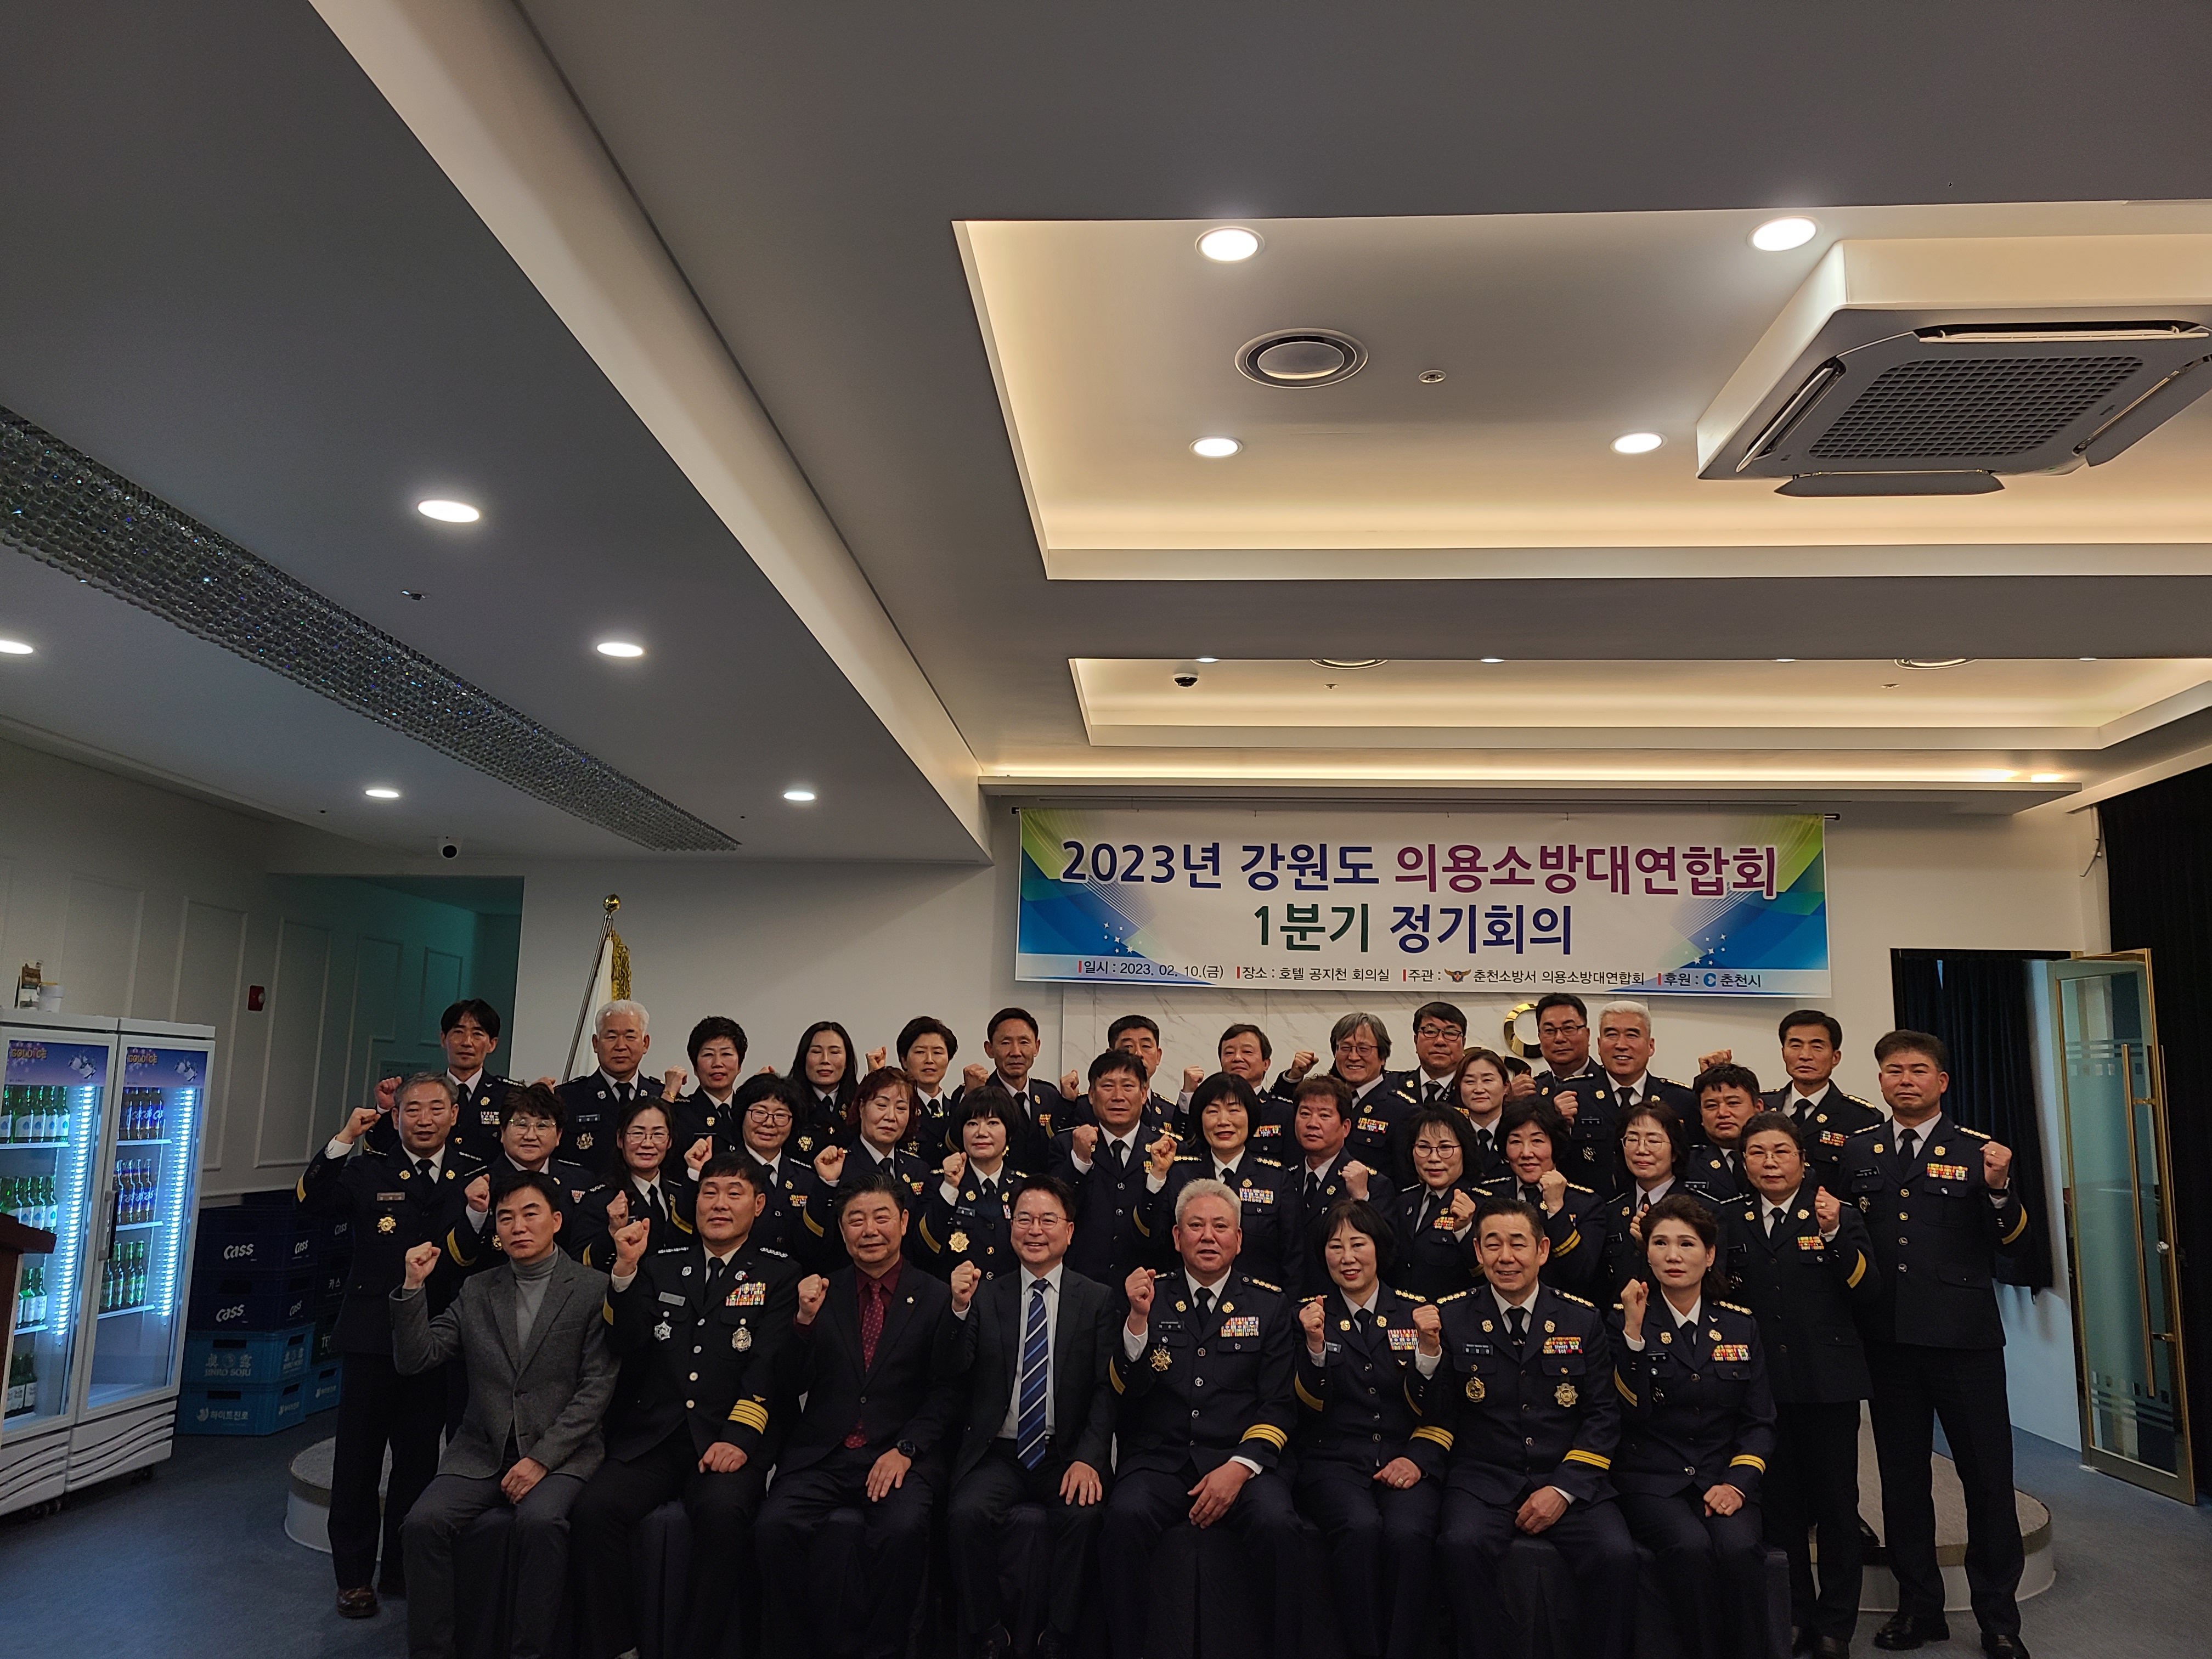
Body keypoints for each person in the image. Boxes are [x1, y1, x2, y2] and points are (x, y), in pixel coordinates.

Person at [1841, 1031, 2033, 1658]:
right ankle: (1918, 1608)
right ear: (1880, 1080)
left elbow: (2014, 1243)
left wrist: (2000, 1189)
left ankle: (1999, 1620)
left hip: (1963, 1343)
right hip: (1888, 1341)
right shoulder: (1859, 1149)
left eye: (1918, 1070)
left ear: (1942, 1082)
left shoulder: (1979, 1151)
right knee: (1902, 1482)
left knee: (1987, 1480)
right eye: (1894, 1070)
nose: (1905, 1080)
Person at [572, 1154, 800, 1659]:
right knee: (593, 1511)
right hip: (655, 1435)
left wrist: (740, 1439)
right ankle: (619, 1648)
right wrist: (624, 1271)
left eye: (734, 1194)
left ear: (759, 1205)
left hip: (726, 1435)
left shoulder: (779, 1274)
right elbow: (625, 1342)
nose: (719, 1204)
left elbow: (769, 1367)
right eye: (710, 1192)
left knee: (723, 1515)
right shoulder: (660, 1264)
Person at [393, 1170, 616, 1659]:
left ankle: (528, 1652)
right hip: (482, 1451)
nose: (518, 1226)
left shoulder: (593, 1288)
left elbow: (596, 1388)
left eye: (530, 1214)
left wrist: (541, 1459)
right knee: (423, 1523)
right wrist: (412, 1287)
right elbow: (417, 1358)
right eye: (506, 1217)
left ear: (556, 1221)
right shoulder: (477, 1289)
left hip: (562, 1454)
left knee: (539, 1523)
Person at [296, 1074, 489, 1617]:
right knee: (358, 1460)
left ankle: (405, 1569)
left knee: (419, 1459)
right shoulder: (368, 1169)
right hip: (372, 1336)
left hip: (439, 1336)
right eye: (413, 1109)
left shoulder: (473, 1175)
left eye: (436, 1108)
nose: (424, 1119)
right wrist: (344, 1138)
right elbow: (311, 1203)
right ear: (396, 1116)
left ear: (455, 1115)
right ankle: (354, 1576)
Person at [756, 1169, 968, 1659]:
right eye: (856, 1220)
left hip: (899, 1453)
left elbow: (948, 1392)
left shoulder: (937, 1297)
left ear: (904, 1222)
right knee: (772, 1527)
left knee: (903, 1530)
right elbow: (790, 1383)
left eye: (881, 1218)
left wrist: (906, 1450)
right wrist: (803, 1323)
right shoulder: (820, 1292)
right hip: (824, 1455)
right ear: (842, 1229)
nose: (869, 1230)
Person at [1421, 1195, 1635, 1659]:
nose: (1506, 1257)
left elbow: (1603, 1414)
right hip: (1485, 1478)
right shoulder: (1452, 1317)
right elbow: (1437, 1412)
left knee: (1617, 1556)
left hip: (1567, 1477)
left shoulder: (1582, 1319)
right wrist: (1428, 1356)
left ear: (1542, 1250)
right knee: (1459, 1547)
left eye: (1518, 1244)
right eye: (1493, 1244)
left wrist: (1563, 1490)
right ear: (1477, 1251)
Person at [1100, 1180, 1301, 1659]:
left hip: (1241, 1460)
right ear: (1176, 1237)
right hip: (1162, 1459)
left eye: (1220, 1227)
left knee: (1278, 1526)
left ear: (1239, 1239)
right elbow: (1126, 1391)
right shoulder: (1148, 1296)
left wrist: (1239, 1468)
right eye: (1195, 1226)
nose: (1208, 1236)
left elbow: (1278, 1405)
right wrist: (1137, 1323)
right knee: (1122, 1519)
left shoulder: (1269, 1305)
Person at [1727, 1110, 1881, 1659]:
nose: (1769, 1163)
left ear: (1802, 1160)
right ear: (1744, 1163)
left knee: (1837, 1506)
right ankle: (1795, 1612)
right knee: (1781, 1507)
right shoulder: (1728, 1217)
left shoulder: (1836, 1213)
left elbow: (1867, 1289)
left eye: (1780, 1152)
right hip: (1762, 1386)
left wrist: (1835, 1234)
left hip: (1827, 1382)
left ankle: (1837, 1624)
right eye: (1757, 1153)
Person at [947, 1175, 1119, 1659]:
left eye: (1047, 1220)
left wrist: (1089, 1458)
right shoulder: (985, 1295)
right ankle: (987, 1633)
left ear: (1069, 1230)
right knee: (964, 1514)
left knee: (1085, 1517)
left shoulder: (1097, 1299)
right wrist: (957, 1309)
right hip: (998, 1452)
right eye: (1024, 1219)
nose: (1035, 1230)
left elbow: (1106, 1390)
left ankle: (1059, 1636)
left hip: (1064, 1453)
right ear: (1010, 1228)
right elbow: (953, 1370)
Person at [1614, 1194, 1776, 1659]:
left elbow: (1760, 1422)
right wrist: (1633, 1337)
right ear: (1647, 1255)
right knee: (1688, 1547)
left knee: (1739, 1549)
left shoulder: (1740, 1326)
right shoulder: (1624, 1320)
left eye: (1686, 1244)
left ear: (1709, 1255)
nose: (1673, 1255)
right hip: (1652, 1479)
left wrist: (1738, 1484)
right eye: (1661, 1243)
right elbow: (1628, 1412)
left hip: (1722, 1474)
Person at [1294, 1199, 1448, 1659]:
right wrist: (1315, 1348)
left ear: (1379, 1248)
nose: (1347, 1257)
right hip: (1334, 1460)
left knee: (1408, 1535)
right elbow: (1305, 1409)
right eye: (1335, 1246)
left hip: (1406, 1455)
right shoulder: (1307, 1316)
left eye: (1358, 1244)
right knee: (1359, 1530)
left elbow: (1441, 1410)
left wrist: (1428, 1353)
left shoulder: (1416, 1314)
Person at [1147, 1072, 1291, 1286]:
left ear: (1251, 1117)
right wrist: (1157, 1176)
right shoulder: (1179, 1174)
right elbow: (1151, 1240)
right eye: (1213, 1111)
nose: (1223, 1121)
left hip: (1258, 1303)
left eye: (1234, 1110)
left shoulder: (1276, 1178)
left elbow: (1293, 1258)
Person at [1054, 1050, 1178, 1290]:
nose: (1118, 1096)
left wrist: (1156, 1178)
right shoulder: (1066, 1144)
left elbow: (1167, 1224)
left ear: (1144, 1094)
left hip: (1149, 1286)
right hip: (1080, 1287)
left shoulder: (1168, 1148)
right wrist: (1079, 1161)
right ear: (1091, 1095)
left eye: (1128, 1086)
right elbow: (1056, 1214)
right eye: (1107, 1086)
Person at [459, 1085, 598, 1269]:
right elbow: (457, 1260)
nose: (531, 1136)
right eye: (521, 1124)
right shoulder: (475, 1184)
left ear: (558, 1136)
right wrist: (476, 1213)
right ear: (502, 1132)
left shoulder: (582, 1182)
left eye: (542, 1126)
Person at [700, 1073, 831, 1268]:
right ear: (742, 1115)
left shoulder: (808, 1178)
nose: (769, 1123)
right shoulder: (719, 1172)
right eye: (759, 1113)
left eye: (781, 1116)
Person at [1476, 1097, 1601, 1298]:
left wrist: (1557, 1210)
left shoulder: (1587, 1203)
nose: (1526, 1153)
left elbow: (1580, 1273)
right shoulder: (1485, 1197)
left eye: (1537, 1141)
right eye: (1516, 1142)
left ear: (1555, 1145)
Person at [364, 998, 517, 1162]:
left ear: (492, 1044)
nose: (467, 1042)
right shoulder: (418, 1091)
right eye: (458, 1032)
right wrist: (385, 1110)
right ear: (444, 1039)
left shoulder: (509, 1096)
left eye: (477, 1034)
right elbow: (382, 1151)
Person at [1286, 1075, 1393, 1299]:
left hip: (1341, 1304)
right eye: (1305, 1114)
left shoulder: (1372, 1184)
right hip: (1288, 1303)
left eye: (1324, 1115)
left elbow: (1388, 1255)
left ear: (1345, 1127)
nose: (1312, 1123)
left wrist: (1361, 1199)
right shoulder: (1284, 1179)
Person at [1575, 1001, 1694, 1198]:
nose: (1621, 1045)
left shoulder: (1681, 1100)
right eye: (1611, 1035)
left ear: (1651, 1046)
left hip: (1663, 1209)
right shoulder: (1574, 1096)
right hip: (1588, 1210)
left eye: (1632, 1035)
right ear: (1599, 1045)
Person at [921, 1088, 1032, 1282]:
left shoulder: (1024, 1188)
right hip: (954, 1294)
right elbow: (924, 1248)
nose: (981, 1133)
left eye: (993, 1123)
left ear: (1009, 1133)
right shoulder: (939, 1183)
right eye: (972, 1124)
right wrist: (949, 1188)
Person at [1767, 1011, 1884, 1190]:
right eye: (1796, 1046)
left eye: (1817, 1047)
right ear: (1783, 1053)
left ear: (1835, 1057)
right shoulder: (1760, 1106)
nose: (1805, 1055)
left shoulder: (1862, 1118)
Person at [574, 1096, 694, 1269]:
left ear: (670, 1141)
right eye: (637, 1134)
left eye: (658, 1134)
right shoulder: (599, 1199)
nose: (647, 1143)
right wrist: (612, 1232)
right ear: (620, 1139)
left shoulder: (679, 1195)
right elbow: (579, 1266)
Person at [1599, 1101, 1700, 1299]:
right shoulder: (1610, 1212)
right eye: (1632, 1139)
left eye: (1653, 1141)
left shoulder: (1703, 1210)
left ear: (1675, 1152)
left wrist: (1652, 1245)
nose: (1642, 1150)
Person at [961, 1007, 1081, 1170]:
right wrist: (971, 1096)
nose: (1016, 1052)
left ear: (1037, 1047)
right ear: (989, 1049)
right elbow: (955, 1143)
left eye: (1024, 1042)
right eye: (1006, 1043)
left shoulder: (1049, 1095)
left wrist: (1068, 1102)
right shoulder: (976, 1093)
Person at [1384, 1043, 1510, 1188]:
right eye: (1469, 1081)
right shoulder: (1448, 1132)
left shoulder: (1516, 1133)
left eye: (1488, 1080)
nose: (1479, 1089)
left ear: (1506, 1086)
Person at [1387, 1107, 1482, 1300]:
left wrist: (1464, 1230)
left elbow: (1485, 1274)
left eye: (1445, 1148)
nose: (1433, 1158)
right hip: (1402, 1312)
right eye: (1423, 1147)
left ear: (1465, 1150)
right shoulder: (1403, 1201)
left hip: (1453, 1314)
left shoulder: (1482, 1204)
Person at [814, 1064, 934, 1209]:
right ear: (862, 1107)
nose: (891, 1117)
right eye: (882, 1105)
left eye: (901, 1108)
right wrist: (827, 1183)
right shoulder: (837, 1168)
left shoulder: (918, 1170)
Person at [557, 1000, 654, 1169]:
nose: (621, 1046)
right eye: (611, 1037)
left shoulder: (660, 1096)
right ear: (596, 1043)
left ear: (645, 1043)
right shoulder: (566, 1098)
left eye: (630, 1037)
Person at [1323, 1011, 1414, 1169]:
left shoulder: (1403, 1112)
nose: (1353, 1057)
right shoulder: (1327, 1101)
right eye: (1345, 1048)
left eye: (1363, 1049)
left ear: (1382, 1056)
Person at [1175, 1023, 1286, 1148]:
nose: (1237, 1058)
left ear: (1266, 1064)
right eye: (1229, 1053)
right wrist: (1189, 1094)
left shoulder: (1284, 1113)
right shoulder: (1206, 1107)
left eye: (1247, 1052)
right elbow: (1184, 1143)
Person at [664, 1014, 749, 1161]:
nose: (717, 1063)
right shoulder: (679, 1113)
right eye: (708, 1055)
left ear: (740, 1065)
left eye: (726, 1054)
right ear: (695, 1067)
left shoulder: (749, 1112)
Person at [1684, 1063, 1759, 1200]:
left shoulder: (1780, 1159)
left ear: (1758, 1108)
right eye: (1711, 1106)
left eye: (1733, 1103)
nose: (1723, 1113)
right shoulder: (1685, 1165)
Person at [788, 1019, 858, 1155]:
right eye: (816, 1052)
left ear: (847, 1062)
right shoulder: (788, 1101)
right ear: (803, 1058)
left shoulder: (860, 1101)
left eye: (835, 1052)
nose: (825, 1060)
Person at [895, 1015, 960, 1157]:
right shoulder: (896, 1109)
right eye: (920, 1052)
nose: (929, 1060)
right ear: (904, 1060)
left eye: (937, 1052)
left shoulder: (956, 1108)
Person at [1107, 1013, 1182, 1128]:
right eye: (1128, 1046)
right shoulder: (1087, 1107)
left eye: (1146, 1046)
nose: (1138, 1054)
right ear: (1110, 1055)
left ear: (1158, 1056)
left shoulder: (1172, 1114)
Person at [1404, 1001, 1470, 1108]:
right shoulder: (1391, 1088)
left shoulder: (1473, 1093)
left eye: (1450, 1033)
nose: (1440, 1041)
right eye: (1430, 1032)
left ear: (1463, 1043)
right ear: (1416, 1041)